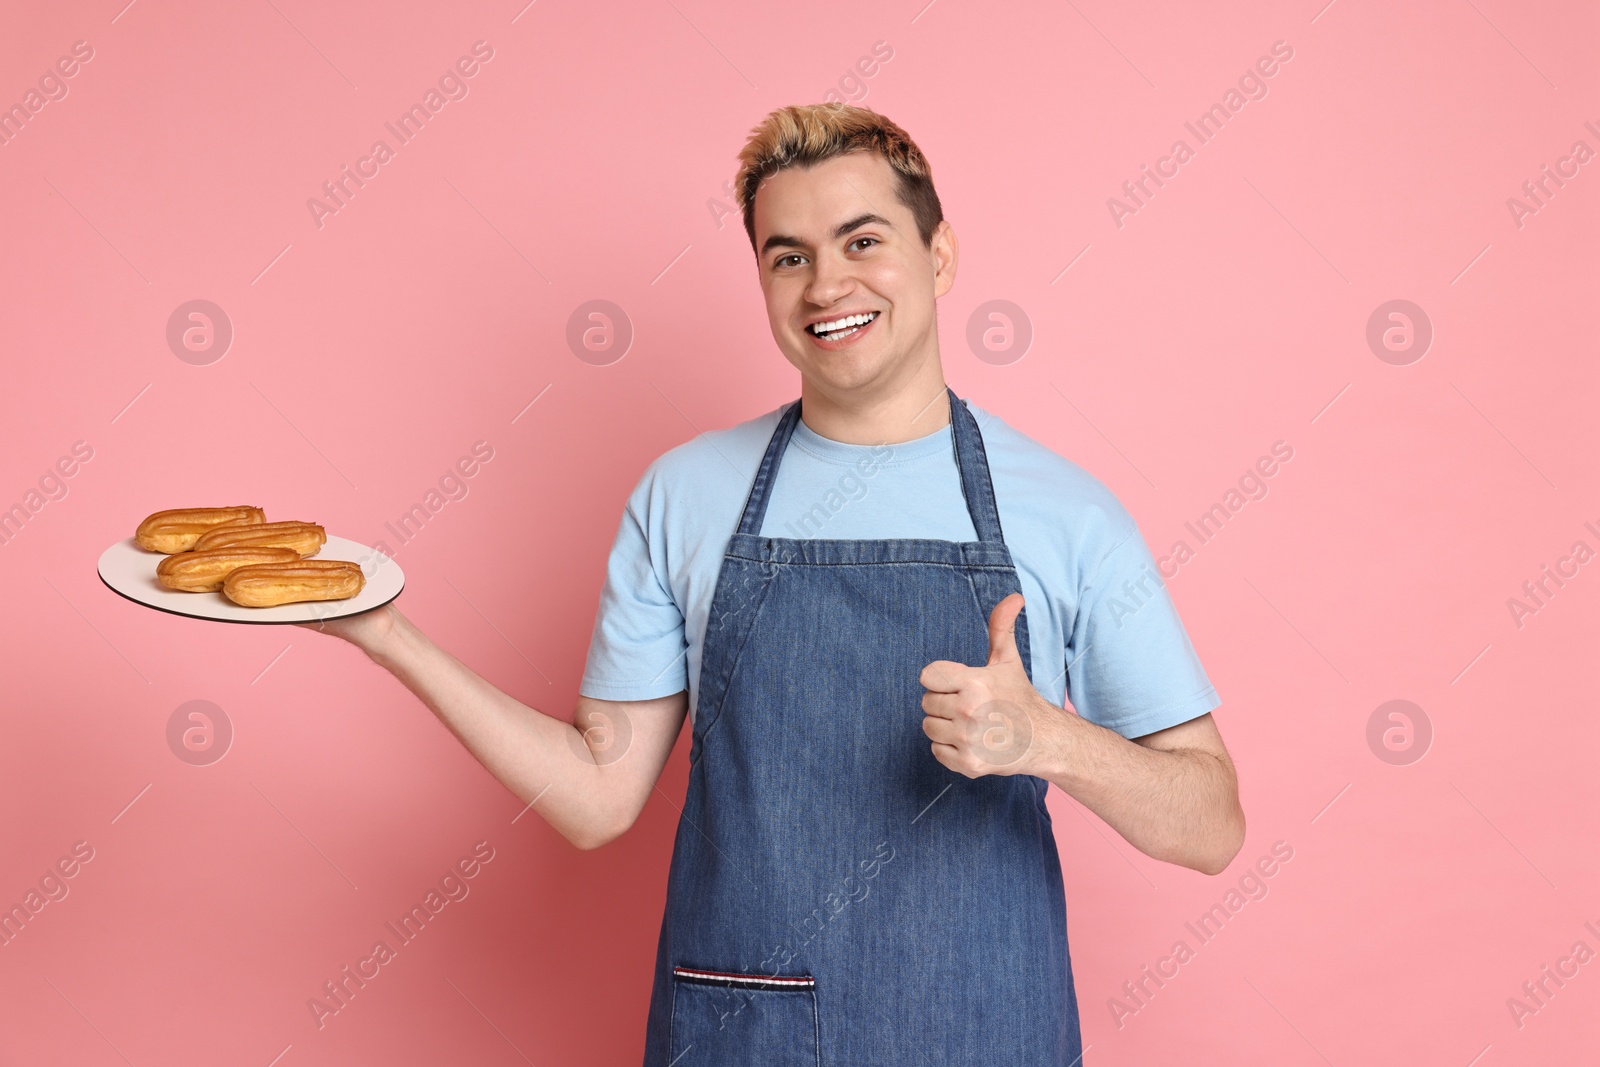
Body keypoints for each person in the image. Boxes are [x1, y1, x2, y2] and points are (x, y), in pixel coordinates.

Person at [302, 102, 1244, 1065]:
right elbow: (597, 796)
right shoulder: (686, 495)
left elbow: (1211, 824)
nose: (827, 283)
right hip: (745, 1038)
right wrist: (386, 633)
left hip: (985, 1035)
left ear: (941, 255)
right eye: (787, 255)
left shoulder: (1068, 514)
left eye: (863, 240)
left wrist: (1050, 737)